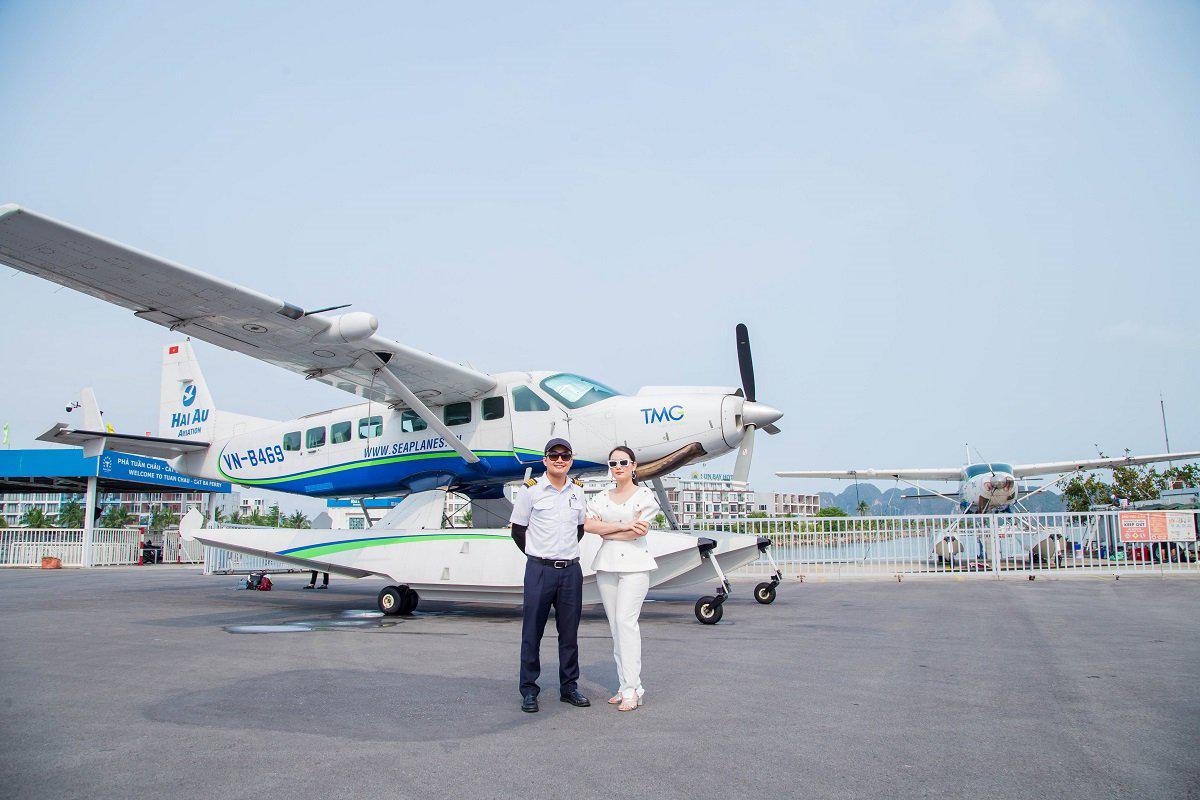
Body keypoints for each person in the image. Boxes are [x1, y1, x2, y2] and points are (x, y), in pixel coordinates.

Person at [509, 438, 590, 713]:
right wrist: (537, 554)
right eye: (553, 456)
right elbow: (517, 530)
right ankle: (529, 690)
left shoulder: (578, 492)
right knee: (532, 632)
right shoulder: (530, 491)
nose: (559, 460)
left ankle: (569, 687)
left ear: (570, 460)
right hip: (539, 570)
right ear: (544, 460)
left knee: (569, 634)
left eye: (564, 456)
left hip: (570, 572)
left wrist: (562, 553)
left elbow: (579, 529)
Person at [584, 446, 657, 711]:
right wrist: (624, 525)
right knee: (616, 627)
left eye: (624, 462)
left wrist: (608, 530)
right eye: (613, 462)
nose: (618, 467)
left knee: (626, 623)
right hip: (607, 565)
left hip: (635, 566)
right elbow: (589, 525)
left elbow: (638, 533)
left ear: (634, 465)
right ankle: (626, 685)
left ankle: (632, 689)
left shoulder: (645, 496)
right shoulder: (602, 497)